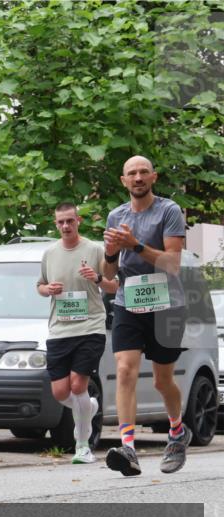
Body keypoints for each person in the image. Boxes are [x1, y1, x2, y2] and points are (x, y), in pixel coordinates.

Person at [101, 155, 190, 476]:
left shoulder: (168, 211)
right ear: (123, 180)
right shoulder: (116, 216)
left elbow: (172, 264)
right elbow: (108, 272)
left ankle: (177, 431)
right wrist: (111, 252)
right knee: (125, 370)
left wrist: (135, 245)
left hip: (167, 304)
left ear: (153, 177)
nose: (137, 178)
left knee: (162, 380)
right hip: (129, 302)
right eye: (131, 173)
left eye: (143, 172)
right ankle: (128, 448)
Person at [36, 203, 117, 464]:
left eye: (70, 221)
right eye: (61, 222)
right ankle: (88, 407)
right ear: (56, 223)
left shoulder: (94, 249)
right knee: (61, 392)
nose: (66, 226)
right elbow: (39, 286)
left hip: (90, 327)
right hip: (59, 329)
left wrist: (96, 278)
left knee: (78, 385)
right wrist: (48, 289)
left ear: (78, 221)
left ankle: (82, 447)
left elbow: (114, 286)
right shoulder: (50, 253)